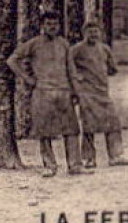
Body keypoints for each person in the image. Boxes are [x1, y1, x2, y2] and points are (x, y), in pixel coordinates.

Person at [7, 12, 89, 177]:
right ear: (42, 26)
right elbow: (12, 60)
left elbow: (71, 70)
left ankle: (75, 165)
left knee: (72, 129)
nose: (53, 27)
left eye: (55, 24)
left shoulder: (64, 44)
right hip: (43, 92)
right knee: (44, 131)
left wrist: (77, 91)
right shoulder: (34, 44)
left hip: (64, 91)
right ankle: (50, 166)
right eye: (49, 24)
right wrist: (28, 79)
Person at [69, 21, 128, 169]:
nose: (93, 35)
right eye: (90, 32)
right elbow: (70, 70)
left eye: (96, 31)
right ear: (83, 33)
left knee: (113, 123)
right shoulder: (76, 50)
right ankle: (88, 158)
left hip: (103, 93)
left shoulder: (105, 49)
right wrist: (77, 86)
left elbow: (113, 69)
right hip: (87, 93)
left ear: (101, 33)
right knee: (88, 126)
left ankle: (116, 155)